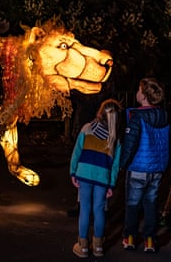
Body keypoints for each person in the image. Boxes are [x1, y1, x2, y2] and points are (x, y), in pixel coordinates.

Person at [120, 77, 171, 253]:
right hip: (157, 168)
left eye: (139, 90)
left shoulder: (137, 117)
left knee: (133, 204)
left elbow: (130, 144)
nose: (137, 92)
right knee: (151, 204)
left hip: (138, 168)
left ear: (143, 96)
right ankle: (150, 239)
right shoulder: (164, 116)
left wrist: (122, 164)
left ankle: (130, 237)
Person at [70, 98, 122, 258]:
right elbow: (115, 165)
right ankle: (98, 246)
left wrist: (73, 171)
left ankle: (83, 245)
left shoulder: (86, 129)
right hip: (102, 178)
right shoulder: (115, 139)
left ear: (99, 113)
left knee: (85, 209)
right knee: (99, 210)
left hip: (84, 174)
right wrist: (111, 184)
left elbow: (77, 152)